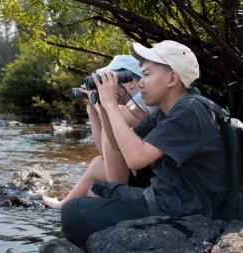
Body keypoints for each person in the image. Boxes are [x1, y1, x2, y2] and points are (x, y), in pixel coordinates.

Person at [60, 40, 228, 247]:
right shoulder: (169, 110)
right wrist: (103, 106)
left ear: (172, 78)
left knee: (72, 212)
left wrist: (112, 105)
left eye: (147, 75)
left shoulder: (189, 110)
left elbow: (135, 160)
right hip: (166, 196)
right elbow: (115, 145)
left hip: (182, 207)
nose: (139, 84)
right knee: (99, 189)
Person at [43, 55, 157, 209]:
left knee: (96, 174)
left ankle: (70, 205)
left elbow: (111, 140)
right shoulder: (129, 106)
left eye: (110, 81)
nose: (105, 86)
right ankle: (63, 204)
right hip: (145, 173)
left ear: (130, 82)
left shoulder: (143, 101)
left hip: (153, 179)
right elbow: (106, 151)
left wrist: (102, 102)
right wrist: (92, 109)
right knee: (98, 162)